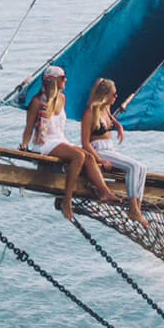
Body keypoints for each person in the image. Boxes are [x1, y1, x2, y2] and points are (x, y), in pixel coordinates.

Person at [20, 66, 111, 220]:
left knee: (88, 156)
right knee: (78, 156)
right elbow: (29, 128)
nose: (66, 80)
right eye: (63, 77)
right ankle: (67, 200)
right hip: (44, 143)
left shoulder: (62, 98)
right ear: (54, 80)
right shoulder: (37, 102)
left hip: (59, 139)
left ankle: (104, 191)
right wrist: (24, 145)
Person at [81, 77, 148, 226]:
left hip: (110, 148)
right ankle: (132, 207)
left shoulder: (106, 108)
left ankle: (138, 206)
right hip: (99, 150)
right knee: (133, 167)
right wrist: (100, 160)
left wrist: (118, 125)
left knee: (143, 168)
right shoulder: (90, 113)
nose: (116, 97)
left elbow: (109, 116)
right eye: (113, 94)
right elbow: (85, 143)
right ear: (105, 95)